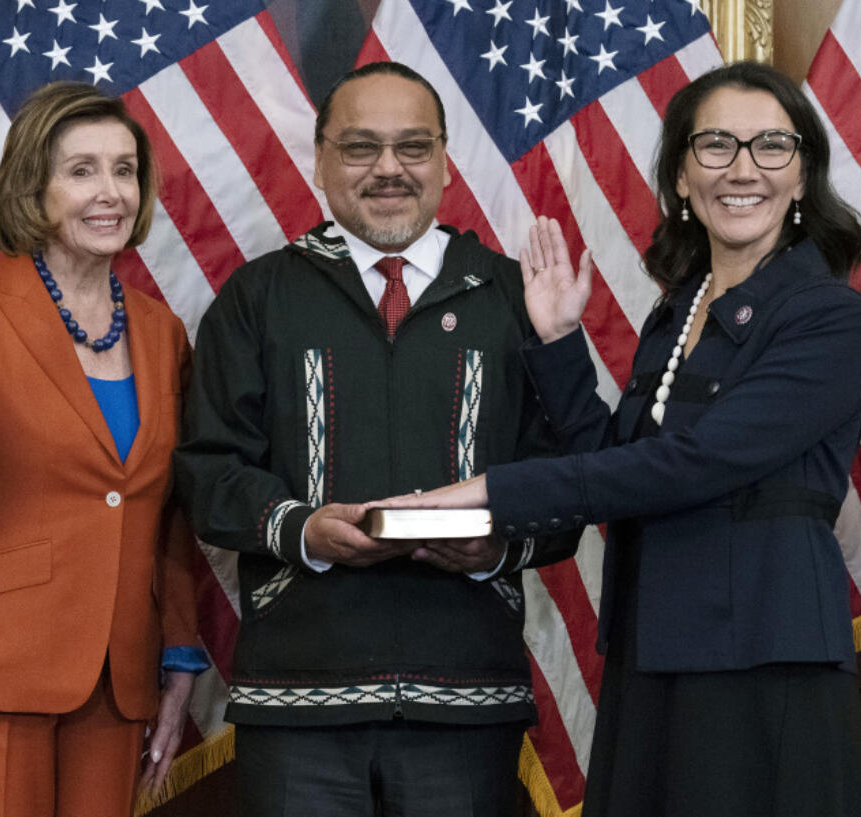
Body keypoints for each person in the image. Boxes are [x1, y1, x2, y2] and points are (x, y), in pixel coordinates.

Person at [382, 61, 861, 816]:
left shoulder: (829, 315)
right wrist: (556, 340)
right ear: (681, 176)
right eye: (715, 145)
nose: (742, 169)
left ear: (804, 176)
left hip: (762, 661)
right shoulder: (680, 312)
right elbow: (617, 463)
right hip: (654, 649)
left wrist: (493, 493)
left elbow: (691, 464)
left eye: (771, 146)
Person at [176, 61, 580, 817]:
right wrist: (304, 529)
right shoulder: (258, 297)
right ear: (321, 161)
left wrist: (497, 547)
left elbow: (571, 476)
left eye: (413, 147)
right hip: (297, 701)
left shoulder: (513, 296)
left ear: (446, 163)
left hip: (466, 698)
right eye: (361, 147)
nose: (389, 168)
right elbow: (209, 472)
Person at [0, 82, 207, 817]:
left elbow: (168, 511)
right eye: (83, 170)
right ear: (34, 185)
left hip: (115, 682)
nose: (111, 192)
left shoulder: (161, 334)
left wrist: (181, 655)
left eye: (124, 170)